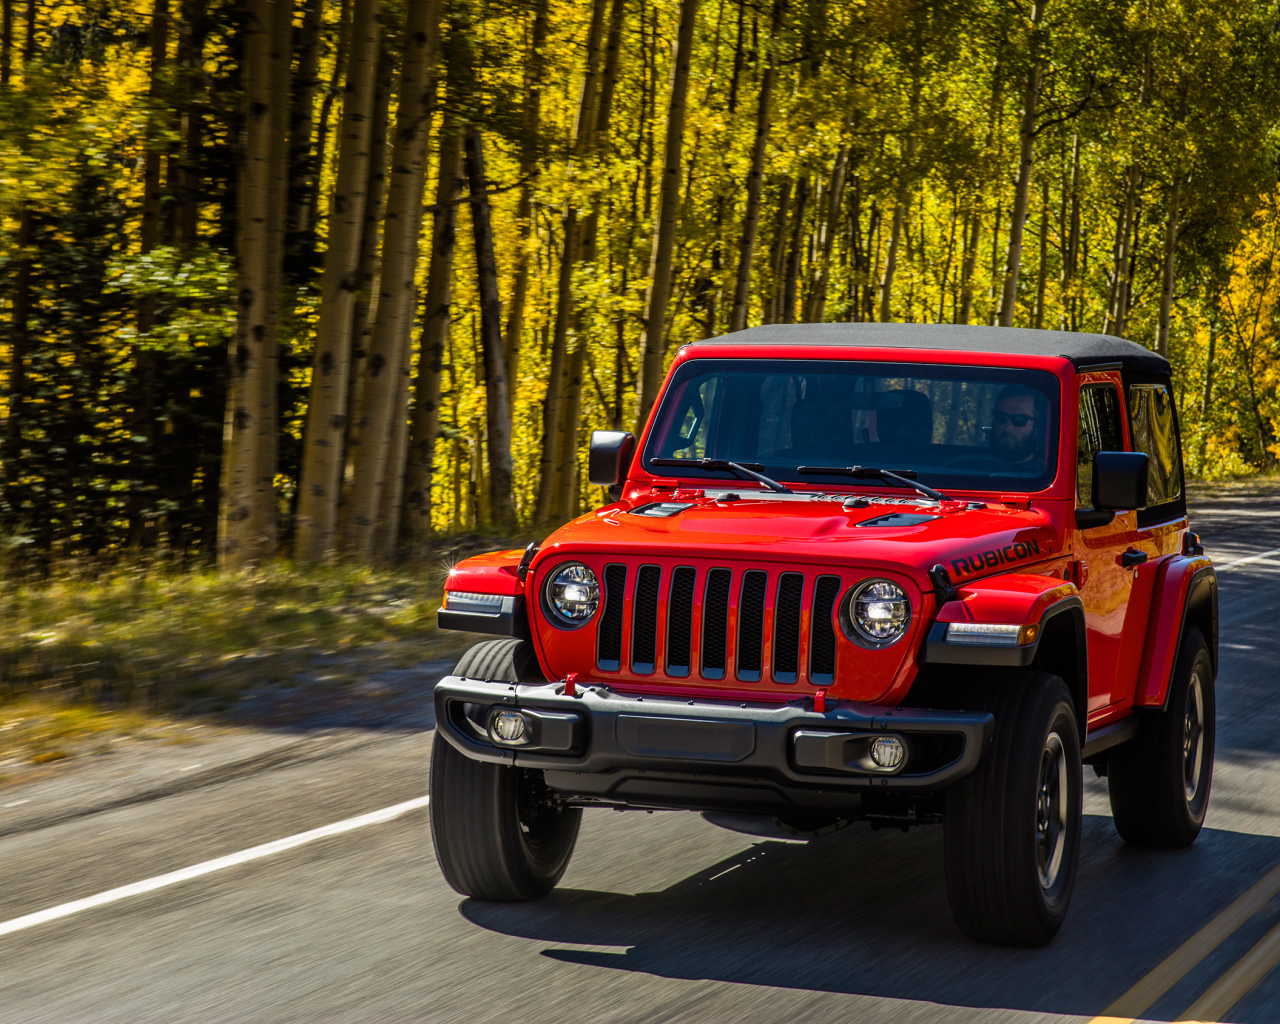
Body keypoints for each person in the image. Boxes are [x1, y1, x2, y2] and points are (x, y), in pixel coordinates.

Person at [991, 384, 1041, 464]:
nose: (1008, 428)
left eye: (1019, 419)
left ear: (1036, 426)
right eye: (1001, 417)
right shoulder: (976, 463)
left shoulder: (1049, 469)